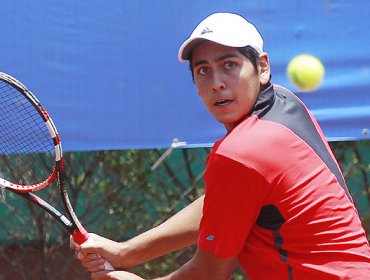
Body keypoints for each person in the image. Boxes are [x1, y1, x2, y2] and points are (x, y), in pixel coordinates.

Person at [71, 13, 370, 279]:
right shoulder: (285, 103)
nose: (216, 82)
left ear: (261, 67)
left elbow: (209, 273)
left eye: (229, 65)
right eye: (203, 70)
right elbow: (223, 203)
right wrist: (127, 253)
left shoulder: (242, 154)